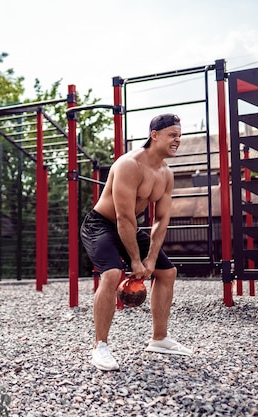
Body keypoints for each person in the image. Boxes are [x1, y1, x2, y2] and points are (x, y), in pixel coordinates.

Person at [80, 113, 193, 372]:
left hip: (128, 226)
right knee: (111, 274)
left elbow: (162, 219)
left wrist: (151, 258)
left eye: (179, 135)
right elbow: (123, 216)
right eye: (172, 135)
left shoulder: (166, 174)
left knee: (167, 272)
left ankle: (159, 338)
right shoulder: (129, 165)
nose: (178, 140)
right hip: (101, 224)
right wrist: (134, 260)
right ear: (154, 135)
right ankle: (100, 346)